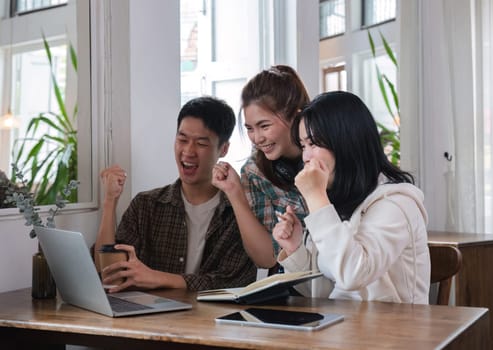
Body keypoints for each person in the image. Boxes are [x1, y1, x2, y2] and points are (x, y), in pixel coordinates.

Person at [273, 91, 430, 304]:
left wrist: (316, 197)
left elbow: (352, 276)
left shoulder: (396, 204)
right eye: (303, 146)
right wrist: (295, 249)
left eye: (314, 144)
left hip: (392, 333)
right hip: (344, 329)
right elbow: (322, 293)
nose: (306, 157)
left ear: (345, 142)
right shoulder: (339, 201)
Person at [95, 96, 257, 293]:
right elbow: (108, 273)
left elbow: (232, 282)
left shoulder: (238, 214)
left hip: (212, 320)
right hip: (149, 319)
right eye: (182, 139)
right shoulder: (146, 205)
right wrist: (110, 201)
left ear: (223, 149)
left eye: (201, 143)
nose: (188, 151)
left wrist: (158, 278)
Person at [212, 65, 310, 270]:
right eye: (249, 128)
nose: (257, 138)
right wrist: (235, 193)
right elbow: (267, 259)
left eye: (264, 126)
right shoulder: (254, 172)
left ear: (295, 117)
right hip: (299, 286)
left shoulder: (328, 158)